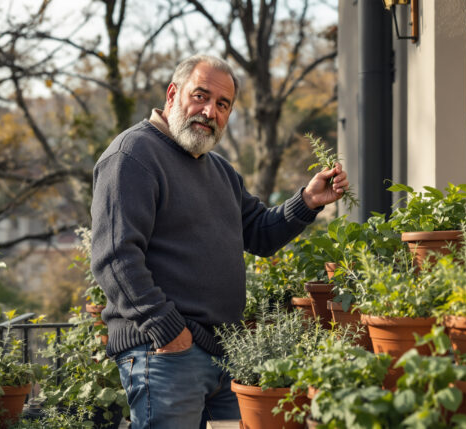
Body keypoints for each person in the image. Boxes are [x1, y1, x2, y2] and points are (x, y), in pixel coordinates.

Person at [90, 54, 349, 429]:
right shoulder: (133, 155)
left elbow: (259, 232)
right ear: (173, 93)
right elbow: (115, 259)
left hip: (224, 356)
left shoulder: (220, 170)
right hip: (164, 352)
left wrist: (307, 201)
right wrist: (169, 331)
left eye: (222, 104)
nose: (210, 111)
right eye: (201, 96)